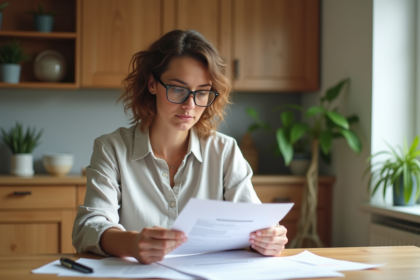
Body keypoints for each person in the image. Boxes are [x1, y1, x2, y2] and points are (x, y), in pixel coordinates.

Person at [72, 29, 288, 264]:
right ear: (152, 84)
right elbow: (88, 227)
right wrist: (132, 244)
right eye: (177, 89)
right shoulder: (111, 149)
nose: (190, 105)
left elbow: (254, 223)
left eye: (202, 92)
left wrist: (269, 238)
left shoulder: (224, 151)